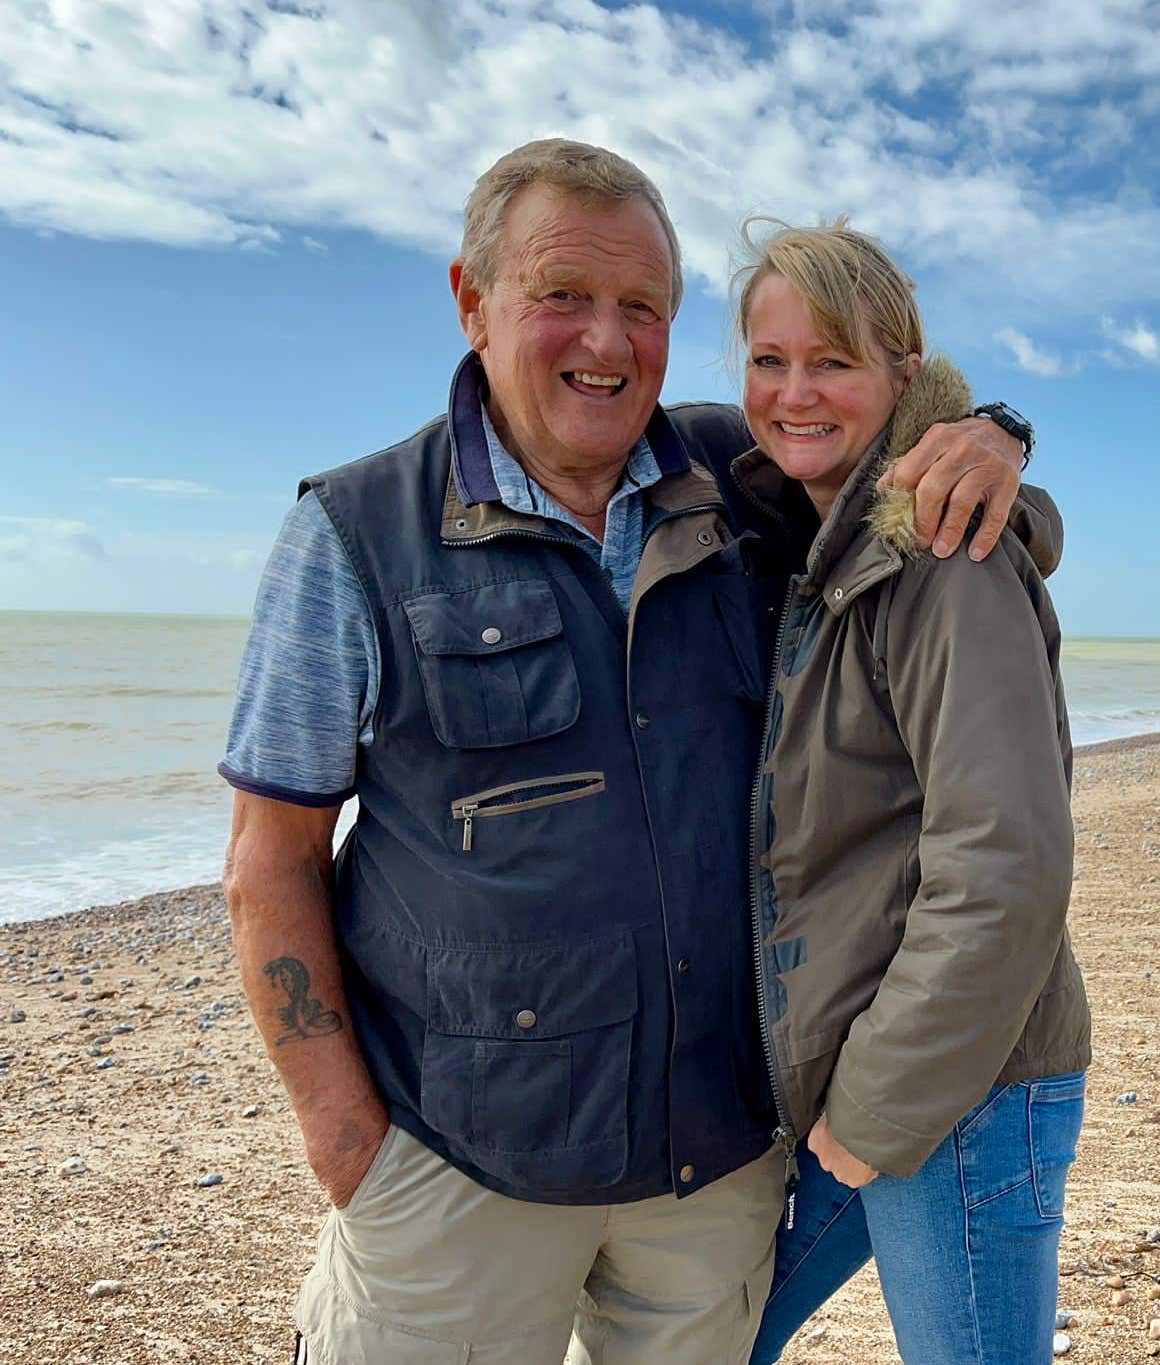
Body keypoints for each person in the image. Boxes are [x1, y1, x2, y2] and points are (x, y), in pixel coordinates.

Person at [218, 140, 1032, 1365]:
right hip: (458, 1171)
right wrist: (344, 1137)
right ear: (471, 299)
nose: (607, 342)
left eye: (642, 308)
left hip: (713, 1172)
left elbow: (892, 474)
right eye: (562, 296)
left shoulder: (739, 476)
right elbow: (269, 860)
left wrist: (994, 438)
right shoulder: (354, 533)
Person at [727, 222, 1090, 1365]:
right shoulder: (818, 534)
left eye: (830, 361)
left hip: (959, 1091)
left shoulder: (941, 560)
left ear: (900, 371)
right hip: (864, 1077)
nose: (793, 393)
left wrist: (872, 1114)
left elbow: (1005, 867)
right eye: (766, 360)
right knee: (709, 1341)